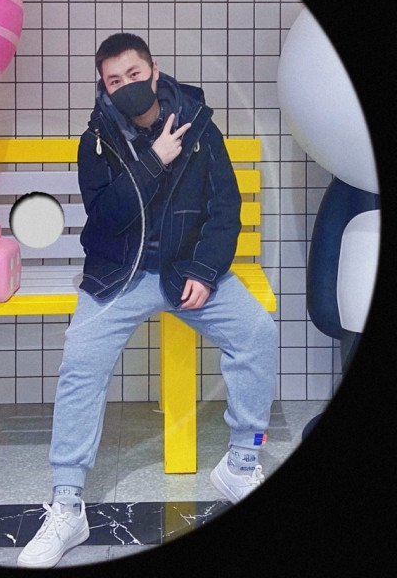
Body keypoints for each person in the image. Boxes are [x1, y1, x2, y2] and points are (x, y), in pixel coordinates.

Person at [17, 33, 278, 569]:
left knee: (258, 332)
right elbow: (106, 218)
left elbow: (225, 207)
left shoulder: (199, 126)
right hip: (120, 274)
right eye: (114, 80)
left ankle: (241, 462)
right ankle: (67, 505)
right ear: (103, 87)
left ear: (154, 71)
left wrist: (206, 271)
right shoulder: (97, 141)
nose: (127, 86)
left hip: (187, 271)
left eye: (134, 74)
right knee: (80, 363)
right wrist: (153, 160)